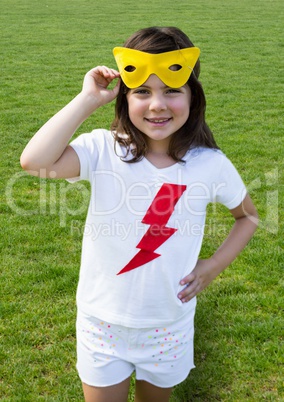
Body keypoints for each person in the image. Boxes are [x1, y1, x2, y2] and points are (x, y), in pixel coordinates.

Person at [20, 26, 258, 402]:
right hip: (102, 324)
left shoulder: (210, 164)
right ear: (125, 98)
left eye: (172, 91)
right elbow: (34, 161)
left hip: (168, 326)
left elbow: (248, 217)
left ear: (193, 98)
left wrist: (212, 266)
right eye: (143, 91)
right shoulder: (103, 149)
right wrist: (86, 100)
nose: (157, 105)